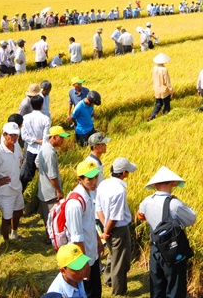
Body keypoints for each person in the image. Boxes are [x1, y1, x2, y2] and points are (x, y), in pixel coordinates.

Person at [138, 166, 197, 298]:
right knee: (174, 287)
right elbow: (192, 218)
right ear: (173, 183)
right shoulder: (174, 204)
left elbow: (140, 215)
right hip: (172, 249)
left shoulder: (146, 201)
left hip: (155, 249)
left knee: (157, 286)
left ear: (155, 185)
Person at [95, 157, 138, 296]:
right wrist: (107, 231)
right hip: (118, 230)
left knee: (112, 254)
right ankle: (119, 291)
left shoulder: (103, 184)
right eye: (128, 171)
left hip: (105, 226)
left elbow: (98, 208)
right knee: (120, 261)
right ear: (124, 172)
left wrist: (104, 227)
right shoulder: (120, 191)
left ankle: (108, 279)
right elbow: (114, 216)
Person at [65, 160, 103, 298]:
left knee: (96, 291)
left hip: (92, 254)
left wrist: (98, 240)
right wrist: (84, 264)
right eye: (90, 179)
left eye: (96, 177)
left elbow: (90, 223)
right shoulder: (75, 203)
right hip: (84, 257)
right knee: (88, 293)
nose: (94, 181)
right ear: (79, 179)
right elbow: (76, 237)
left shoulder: (89, 193)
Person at [0, 122, 25, 241]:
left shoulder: (16, 145)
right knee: (6, 218)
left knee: (18, 211)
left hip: (17, 187)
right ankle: (6, 240)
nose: (14, 137)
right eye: (11, 135)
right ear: (4, 135)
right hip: (5, 191)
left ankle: (14, 233)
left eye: (16, 135)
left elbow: (20, 159)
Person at [36, 126, 70, 235]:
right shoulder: (50, 153)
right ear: (54, 137)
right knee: (52, 219)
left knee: (47, 217)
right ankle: (52, 239)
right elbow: (52, 176)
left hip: (44, 189)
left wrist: (43, 173)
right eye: (61, 138)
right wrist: (58, 190)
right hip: (50, 193)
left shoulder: (44, 147)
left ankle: (49, 238)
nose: (63, 140)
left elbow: (37, 163)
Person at [20, 95, 51, 192]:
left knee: (28, 174)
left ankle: (22, 192)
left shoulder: (25, 118)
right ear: (42, 105)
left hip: (30, 150)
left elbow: (24, 136)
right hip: (42, 151)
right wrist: (40, 141)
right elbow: (45, 138)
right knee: (45, 175)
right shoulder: (45, 119)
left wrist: (35, 141)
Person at [147, 53, 173, 121]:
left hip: (156, 89)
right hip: (164, 90)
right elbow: (167, 82)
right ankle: (165, 117)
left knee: (158, 104)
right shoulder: (164, 69)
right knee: (166, 104)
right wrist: (171, 90)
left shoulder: (154, 68)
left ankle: (152, 117)